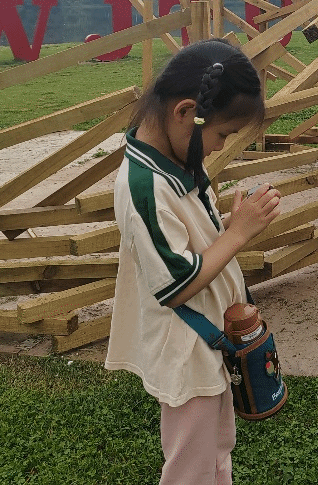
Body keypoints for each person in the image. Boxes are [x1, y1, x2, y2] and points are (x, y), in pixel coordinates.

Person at [105, 39, 282, 484]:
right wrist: (238, 234)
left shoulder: (175, 159)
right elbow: (176, 284)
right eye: (222, 134)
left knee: (216, 451)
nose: (219, 145)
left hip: (208, 341)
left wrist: (234, 222)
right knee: (190, 468)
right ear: (186, 113)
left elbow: (191, 239)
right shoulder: (144, 186)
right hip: (186, 347)